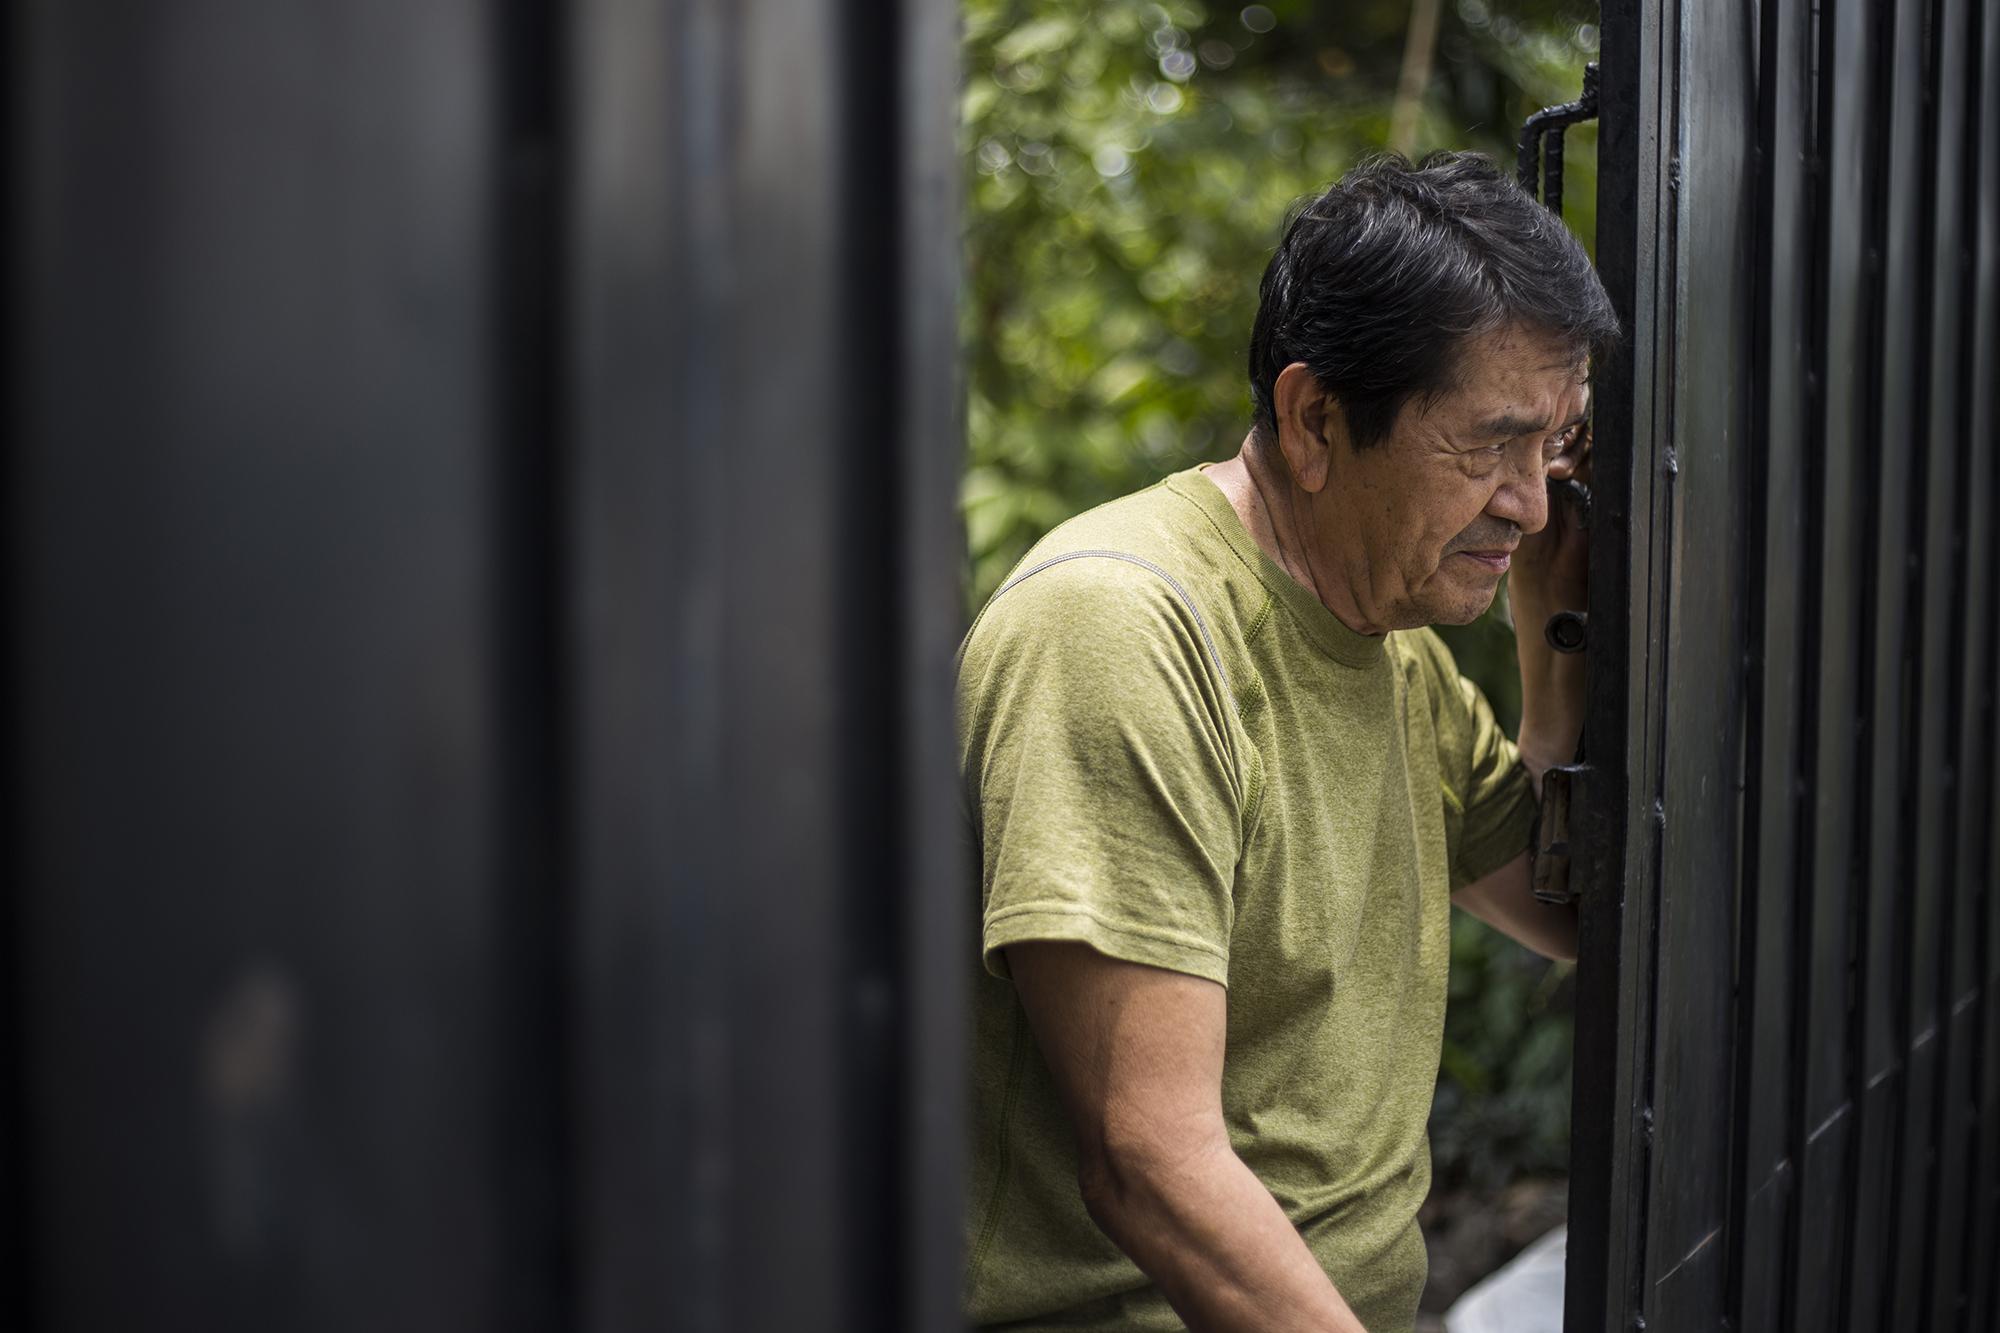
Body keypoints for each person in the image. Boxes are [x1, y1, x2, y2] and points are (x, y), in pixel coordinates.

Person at [956, 150, 1620, 1333]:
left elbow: (1573, 911)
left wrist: (1549, 631)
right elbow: (1149, 1164)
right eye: (1491, 444)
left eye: (1552, 451)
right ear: (1315, 419)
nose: (1528, 501)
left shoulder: (1390, 643)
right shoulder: (1119, 626)